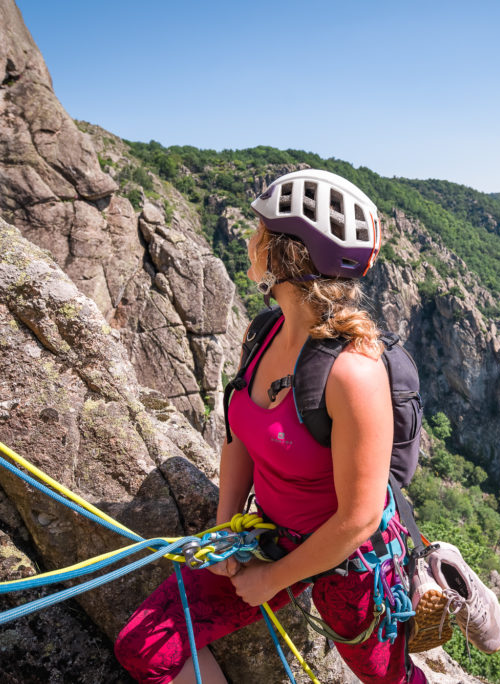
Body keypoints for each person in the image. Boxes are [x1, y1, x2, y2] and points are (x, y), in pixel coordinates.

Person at [114, 169, 428, 684]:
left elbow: (359, 520)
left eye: (260, 232)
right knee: (145, 647)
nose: (250, 240)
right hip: (269, 534)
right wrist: (223, 527)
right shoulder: (262, 332)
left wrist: (272, 581)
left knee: (387, 678)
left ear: (288, 254)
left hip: (350, 559)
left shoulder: (352, 371)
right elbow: (240, 438)